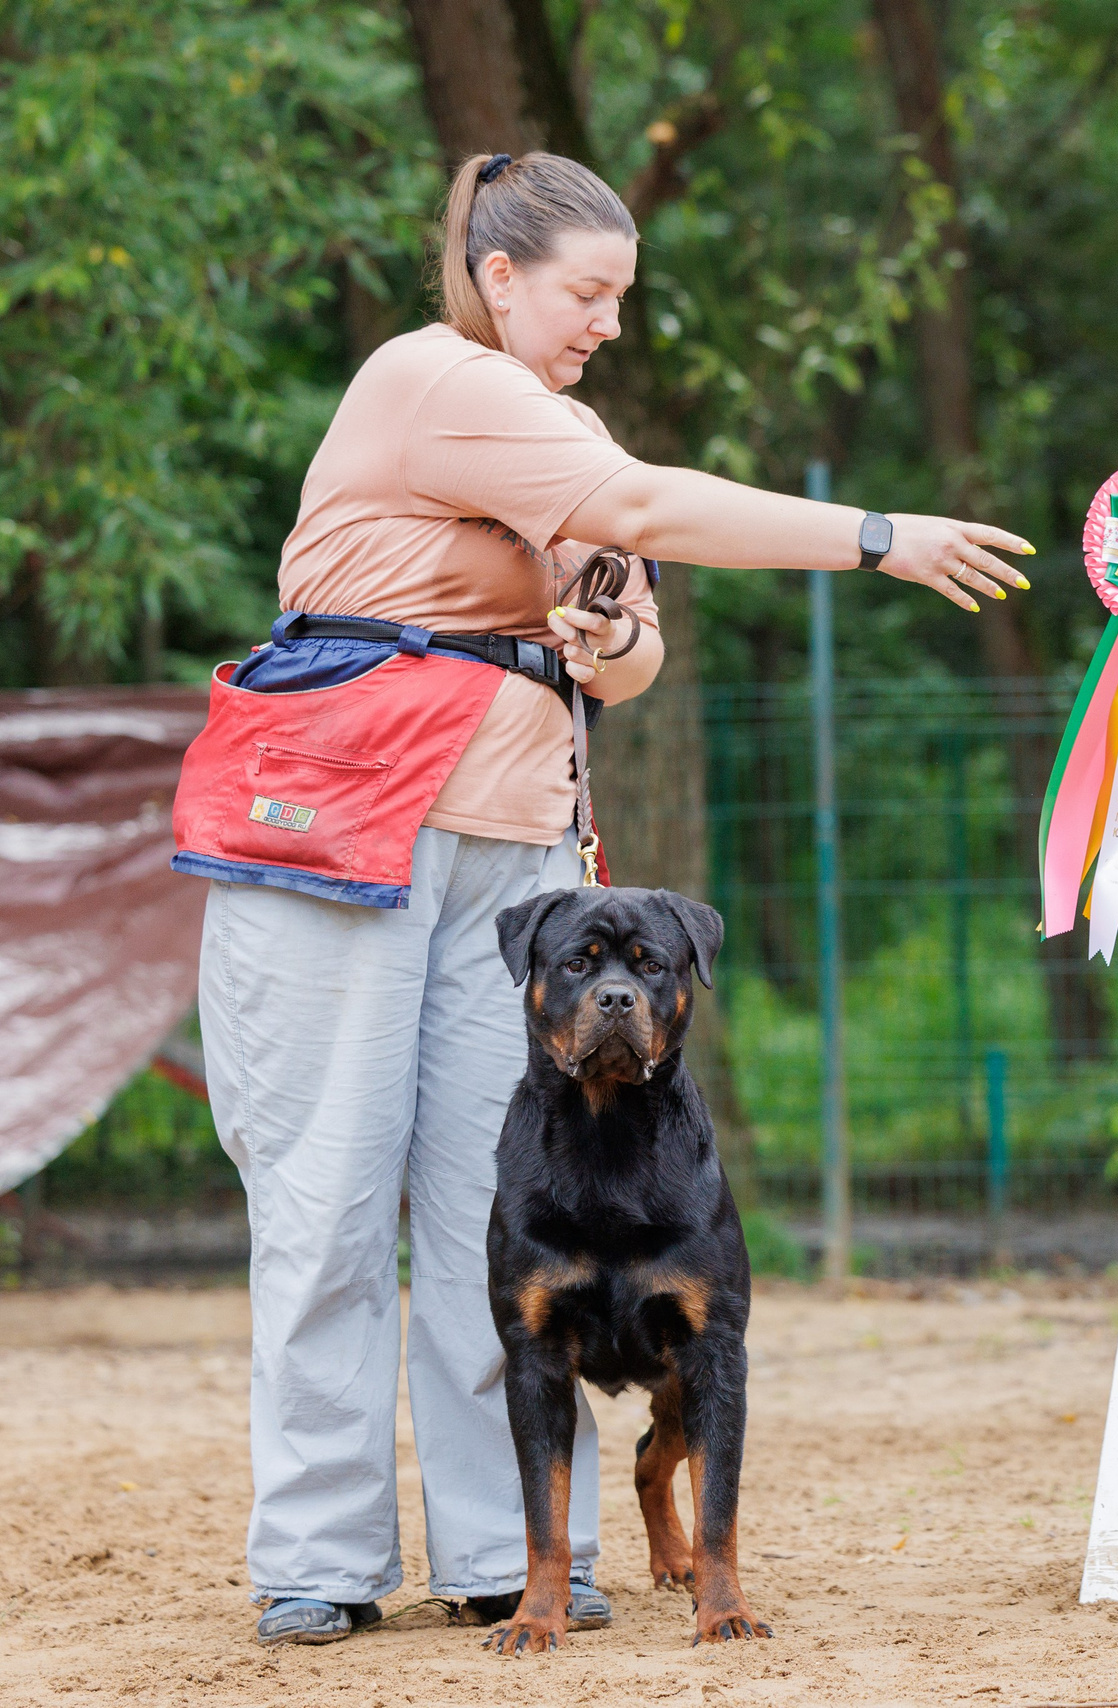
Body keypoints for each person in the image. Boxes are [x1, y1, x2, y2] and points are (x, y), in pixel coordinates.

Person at [186, 150, 1031, 1647]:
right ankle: (317, 1556)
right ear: (501, 277)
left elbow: (628, 648)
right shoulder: (432, 376)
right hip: (342, 829)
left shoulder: (552, 432)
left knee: (490, 1213)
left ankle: (511, 1558)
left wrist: (602, 622)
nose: (609, 327)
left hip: (511, 856)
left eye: (624, 300)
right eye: (590, 293)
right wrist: (878, 538)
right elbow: (640, 499)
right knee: (324, 1201)